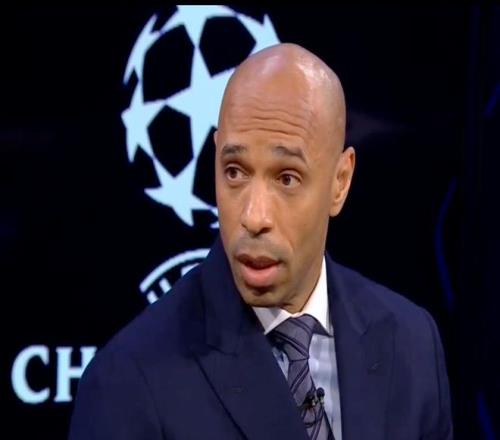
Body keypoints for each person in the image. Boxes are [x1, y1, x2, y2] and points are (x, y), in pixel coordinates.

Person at [69, 43, 453, 439]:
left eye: (287, 178)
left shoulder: (412, 344)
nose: (254, 217)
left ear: (340, 182)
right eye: (234, 172)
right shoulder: (127, 382)